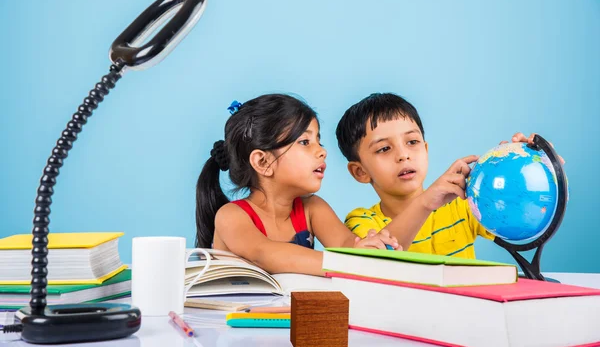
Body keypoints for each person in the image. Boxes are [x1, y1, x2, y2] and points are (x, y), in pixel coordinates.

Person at [195, 94, 401, 276]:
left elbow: (345, 245)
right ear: (263, 162)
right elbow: (264, 254)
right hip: (232, 318)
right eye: (305, 142)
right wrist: (348, 263)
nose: (322, 151)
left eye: (319, 141)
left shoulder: (313, 208)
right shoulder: (231, 216)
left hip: (288, 315)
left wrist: (367, 248)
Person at [335, 92, 561, 259]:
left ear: (426, 149)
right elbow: (375, 260)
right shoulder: (362, 222)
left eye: (412, 142)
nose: (403, 155)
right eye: (384, 149)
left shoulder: (464, 205)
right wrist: (425, 203)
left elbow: (526, 224)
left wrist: (542, 170)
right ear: (360, 171)